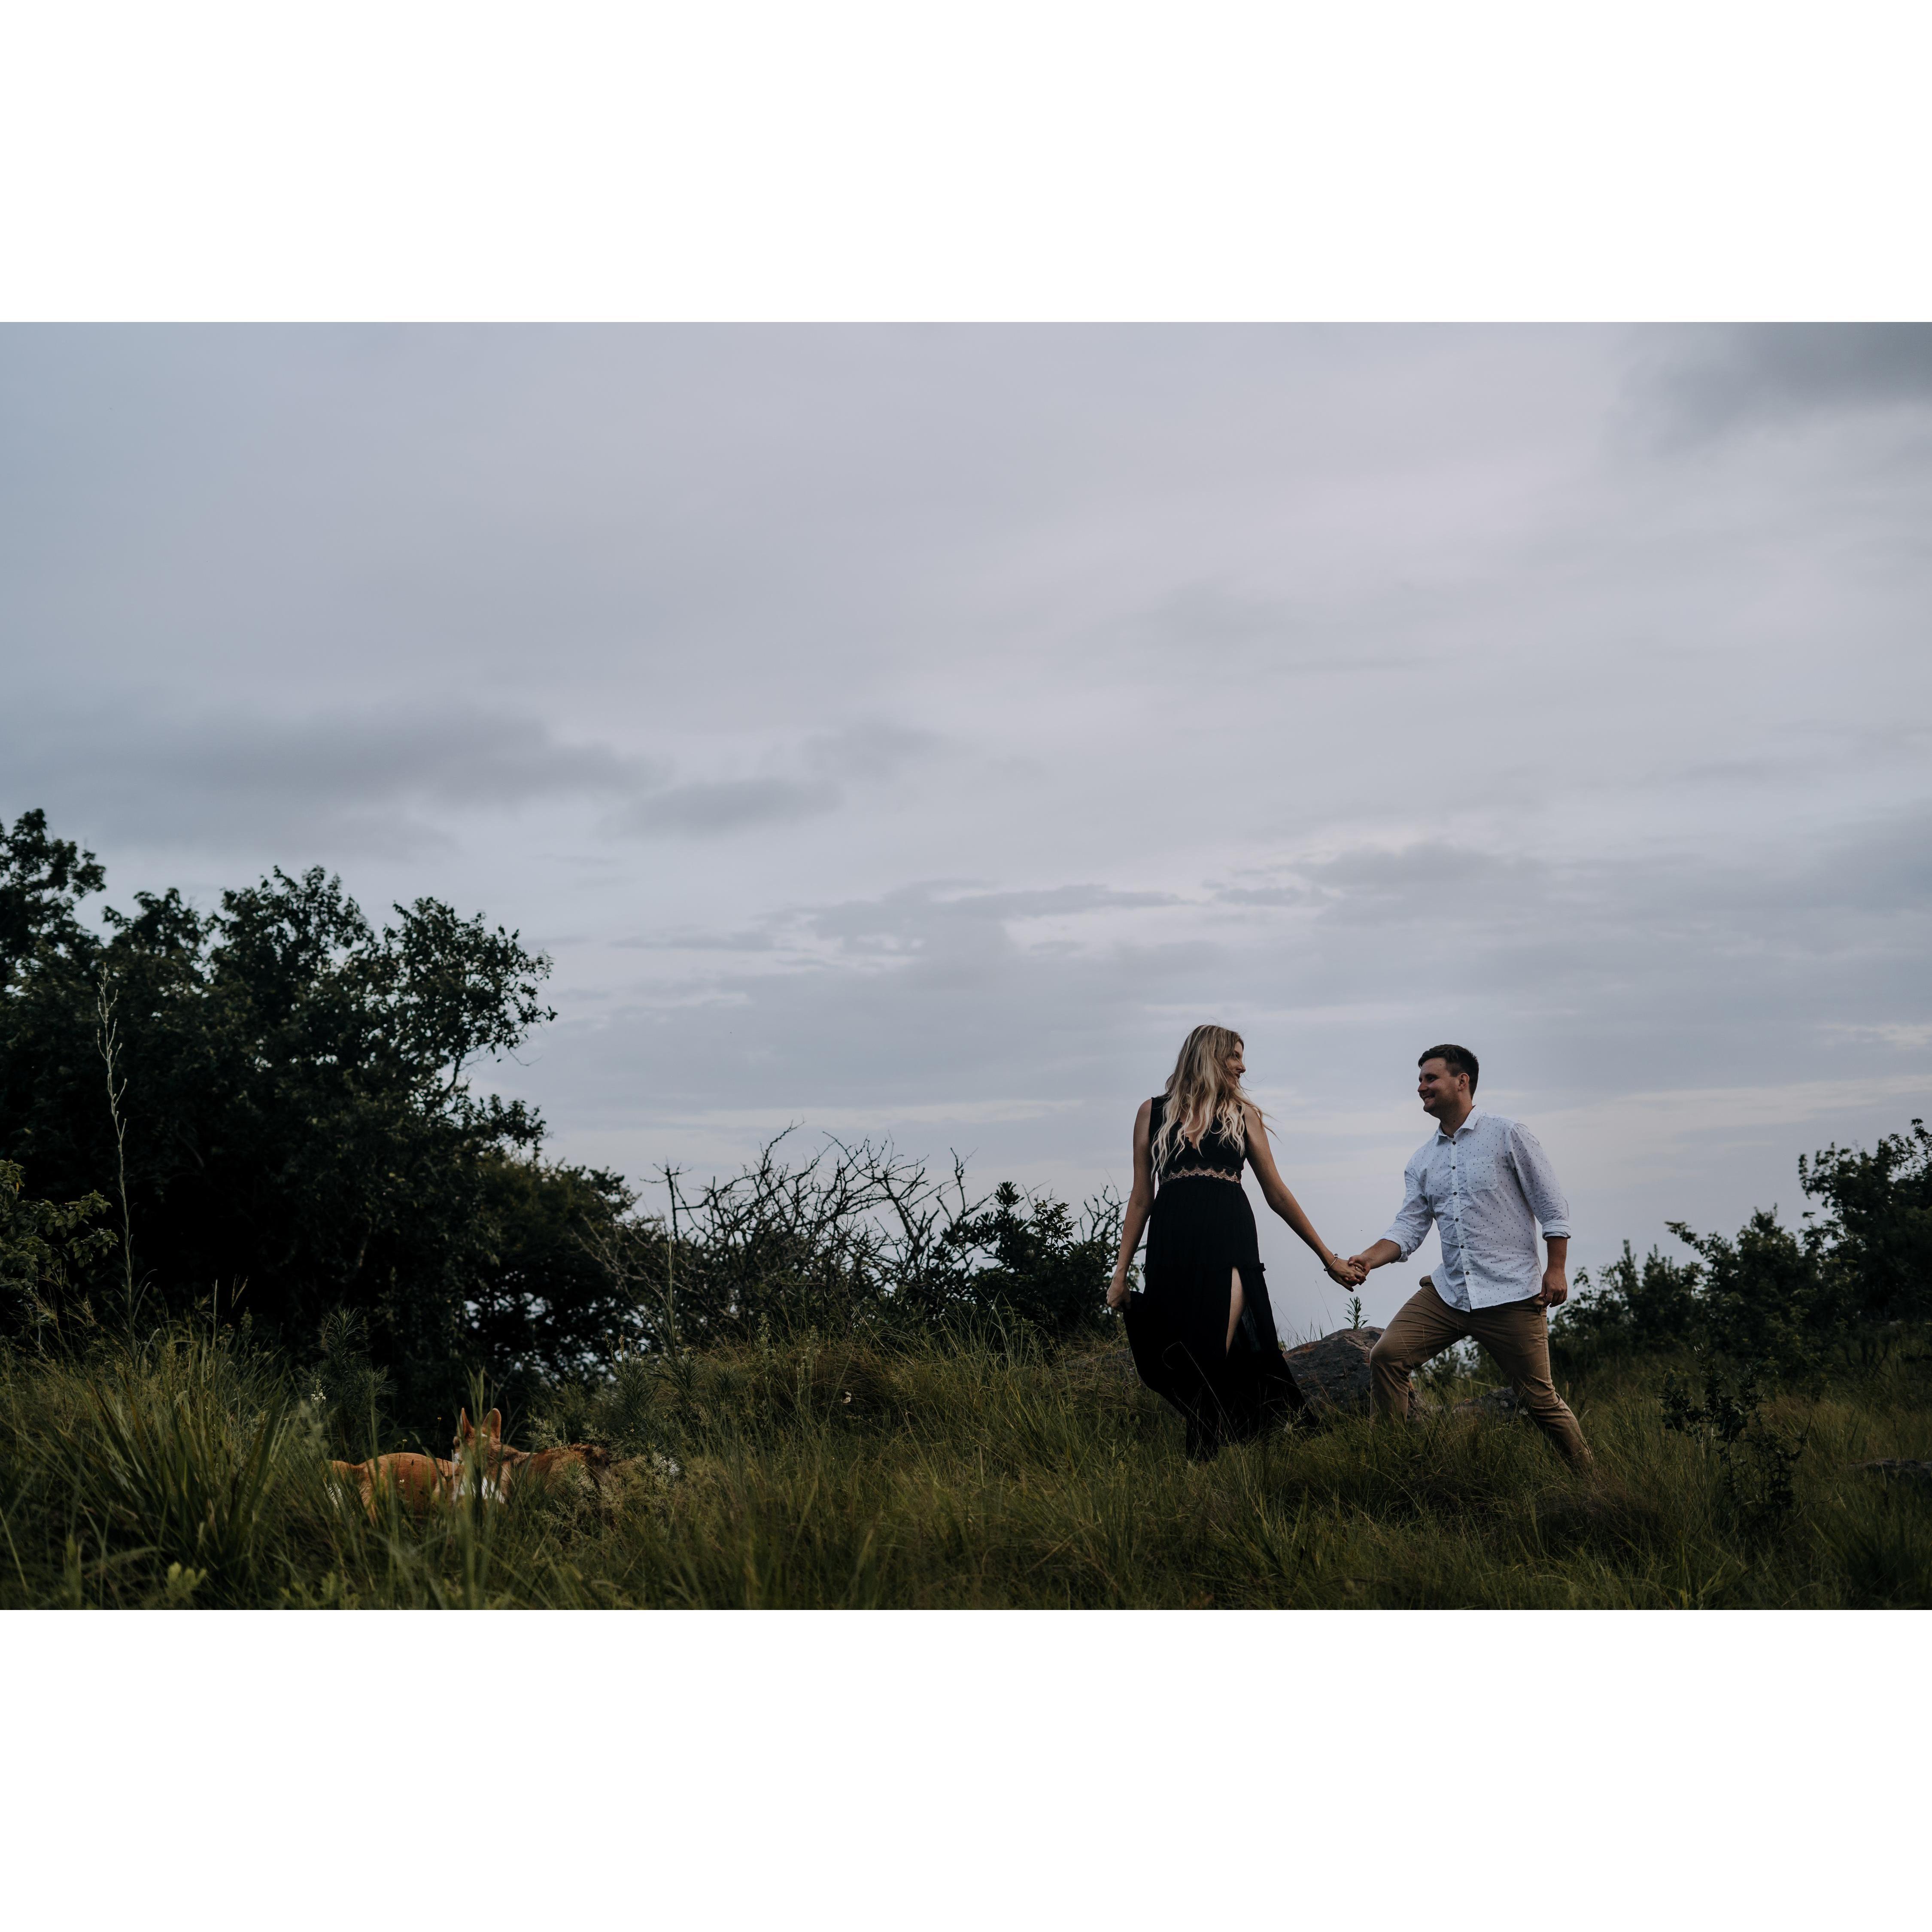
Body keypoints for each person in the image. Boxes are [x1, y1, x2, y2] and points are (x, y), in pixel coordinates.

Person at [1107, 1024, 1364, 1459]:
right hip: (1170, 1247)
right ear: (1209, 1056)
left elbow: (1276, 1194)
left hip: (1230, 1242)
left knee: (1209, 1353)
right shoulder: (1153, 1112)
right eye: (1236, 1057)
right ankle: (1229, 1448)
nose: (1243, 1067)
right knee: (1174, 1357)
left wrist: (1329, 1258)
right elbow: (1141, 1197)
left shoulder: (1243, 1115)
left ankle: (1200, 1464)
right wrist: (1120, 1272)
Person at [1347, 1044, 1591, 1467]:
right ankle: (1391, 1465)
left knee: (1539, 1399)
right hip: (1450, 1294)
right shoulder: (1423, 1161)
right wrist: (1368, 1259)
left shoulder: (1508, 1135)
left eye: (1430, 1078)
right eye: (1420, 1080)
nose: (1421, 1087)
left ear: (1462, 1082)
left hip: (1512, 1294)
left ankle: (1591, 1478)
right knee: (1387, 1356)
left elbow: (1552, 1206)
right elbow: (1408, 1229)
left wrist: (1556, 1269)